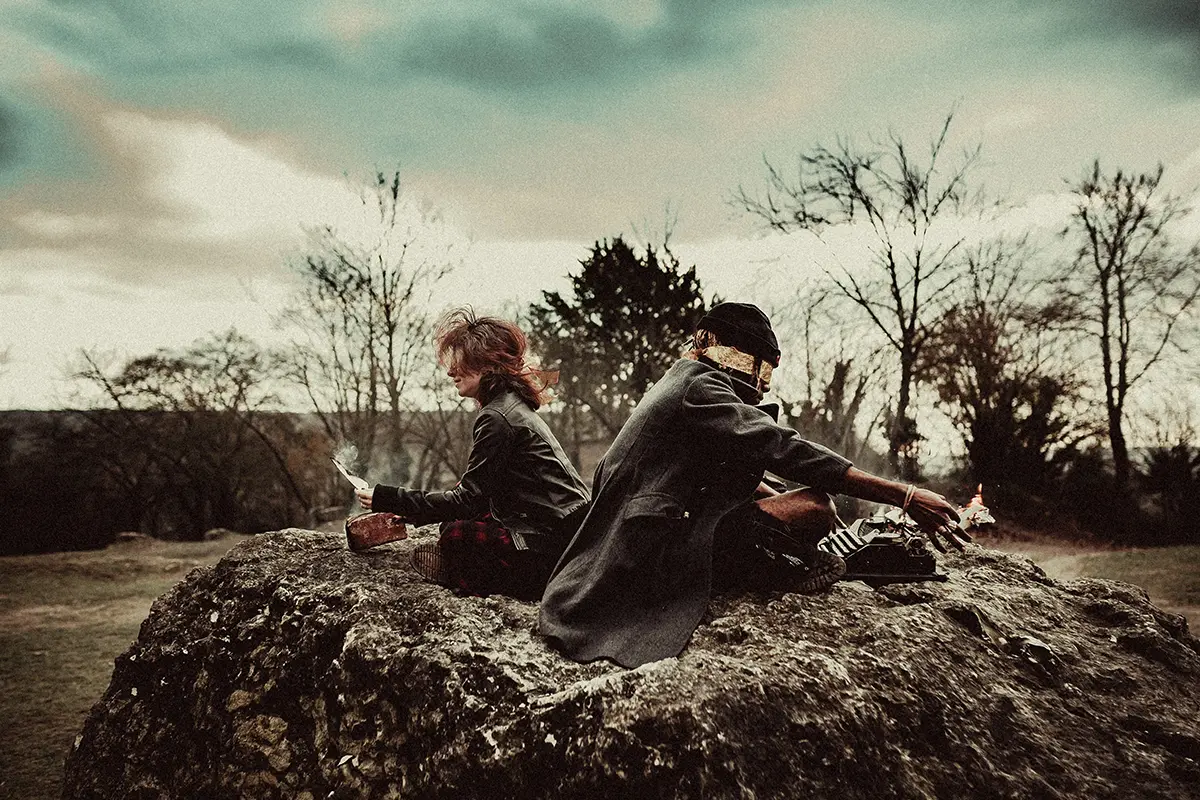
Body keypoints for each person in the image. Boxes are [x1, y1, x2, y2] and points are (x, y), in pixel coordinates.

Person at [539, 302, 969, 668]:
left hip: (635, 544)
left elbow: (726, 476)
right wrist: (905, 495)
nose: (764, 383)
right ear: (741, 358)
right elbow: (782, 447)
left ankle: (784, 556)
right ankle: (772, 566)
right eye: (764, 368)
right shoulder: (699, 386)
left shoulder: (682, 380)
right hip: (647, 555)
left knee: (800, 508)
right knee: (816, 508)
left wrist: (781, 501)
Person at [356, 308, 590, 600]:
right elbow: (478, 492)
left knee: (458, 535)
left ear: (487, 365)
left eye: (460, 362)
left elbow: (466, 500)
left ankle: (468, 573)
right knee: (454, 523)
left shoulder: (498, 417)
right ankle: (465, 565)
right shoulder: (509, 406)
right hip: (566, 535)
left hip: (557, 548)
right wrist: (410, 512)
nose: (450, 371)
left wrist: (390, 498)